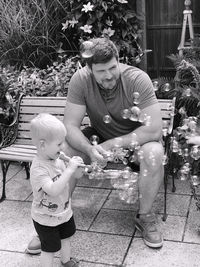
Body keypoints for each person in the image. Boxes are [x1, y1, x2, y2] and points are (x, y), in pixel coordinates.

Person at [27, 37, 164, 252]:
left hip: (137, 142)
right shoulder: (80, 80)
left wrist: (110, 145)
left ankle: (145, 216)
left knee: (154, 151)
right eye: (101, 71)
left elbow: (153, 129)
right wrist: (90, 149)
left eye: (112, 67)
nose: (108, 75)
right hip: (98, 138)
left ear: (118, 61)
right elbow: (70, 126)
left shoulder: (138, 79)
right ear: (90, 69)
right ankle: (52, 218)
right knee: (67, 150)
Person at [28, 113, 83, 267]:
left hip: (64, 212)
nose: (63, 147)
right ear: (43, 144)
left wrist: (78, 169)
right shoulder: (39, 169)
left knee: (66, 238)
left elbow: (73, 176)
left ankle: (65, 261)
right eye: (59, 144)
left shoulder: (57, 159)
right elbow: (53, 190)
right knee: (49, 248)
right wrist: (69, 170)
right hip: (45, 218)